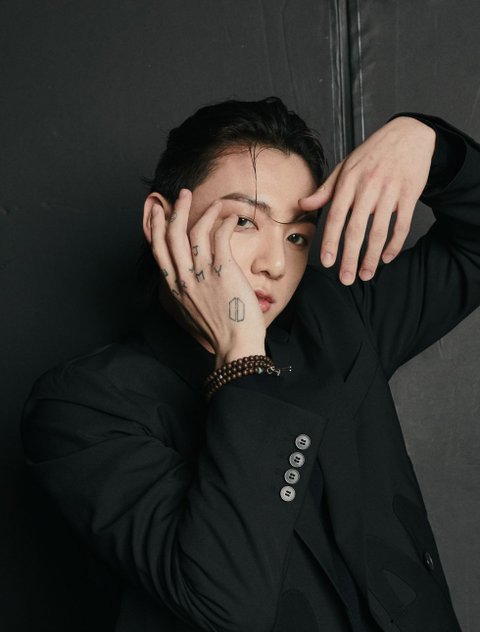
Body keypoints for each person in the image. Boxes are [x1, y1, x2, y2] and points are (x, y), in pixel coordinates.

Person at [21, 97, 479, 632]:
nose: (275, 263)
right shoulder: (84, 408)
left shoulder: (338, 320)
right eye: (243, 221)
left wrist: (429, 144)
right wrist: (241, 353)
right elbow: (226, 604)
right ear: (160, 220)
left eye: (296, 235)